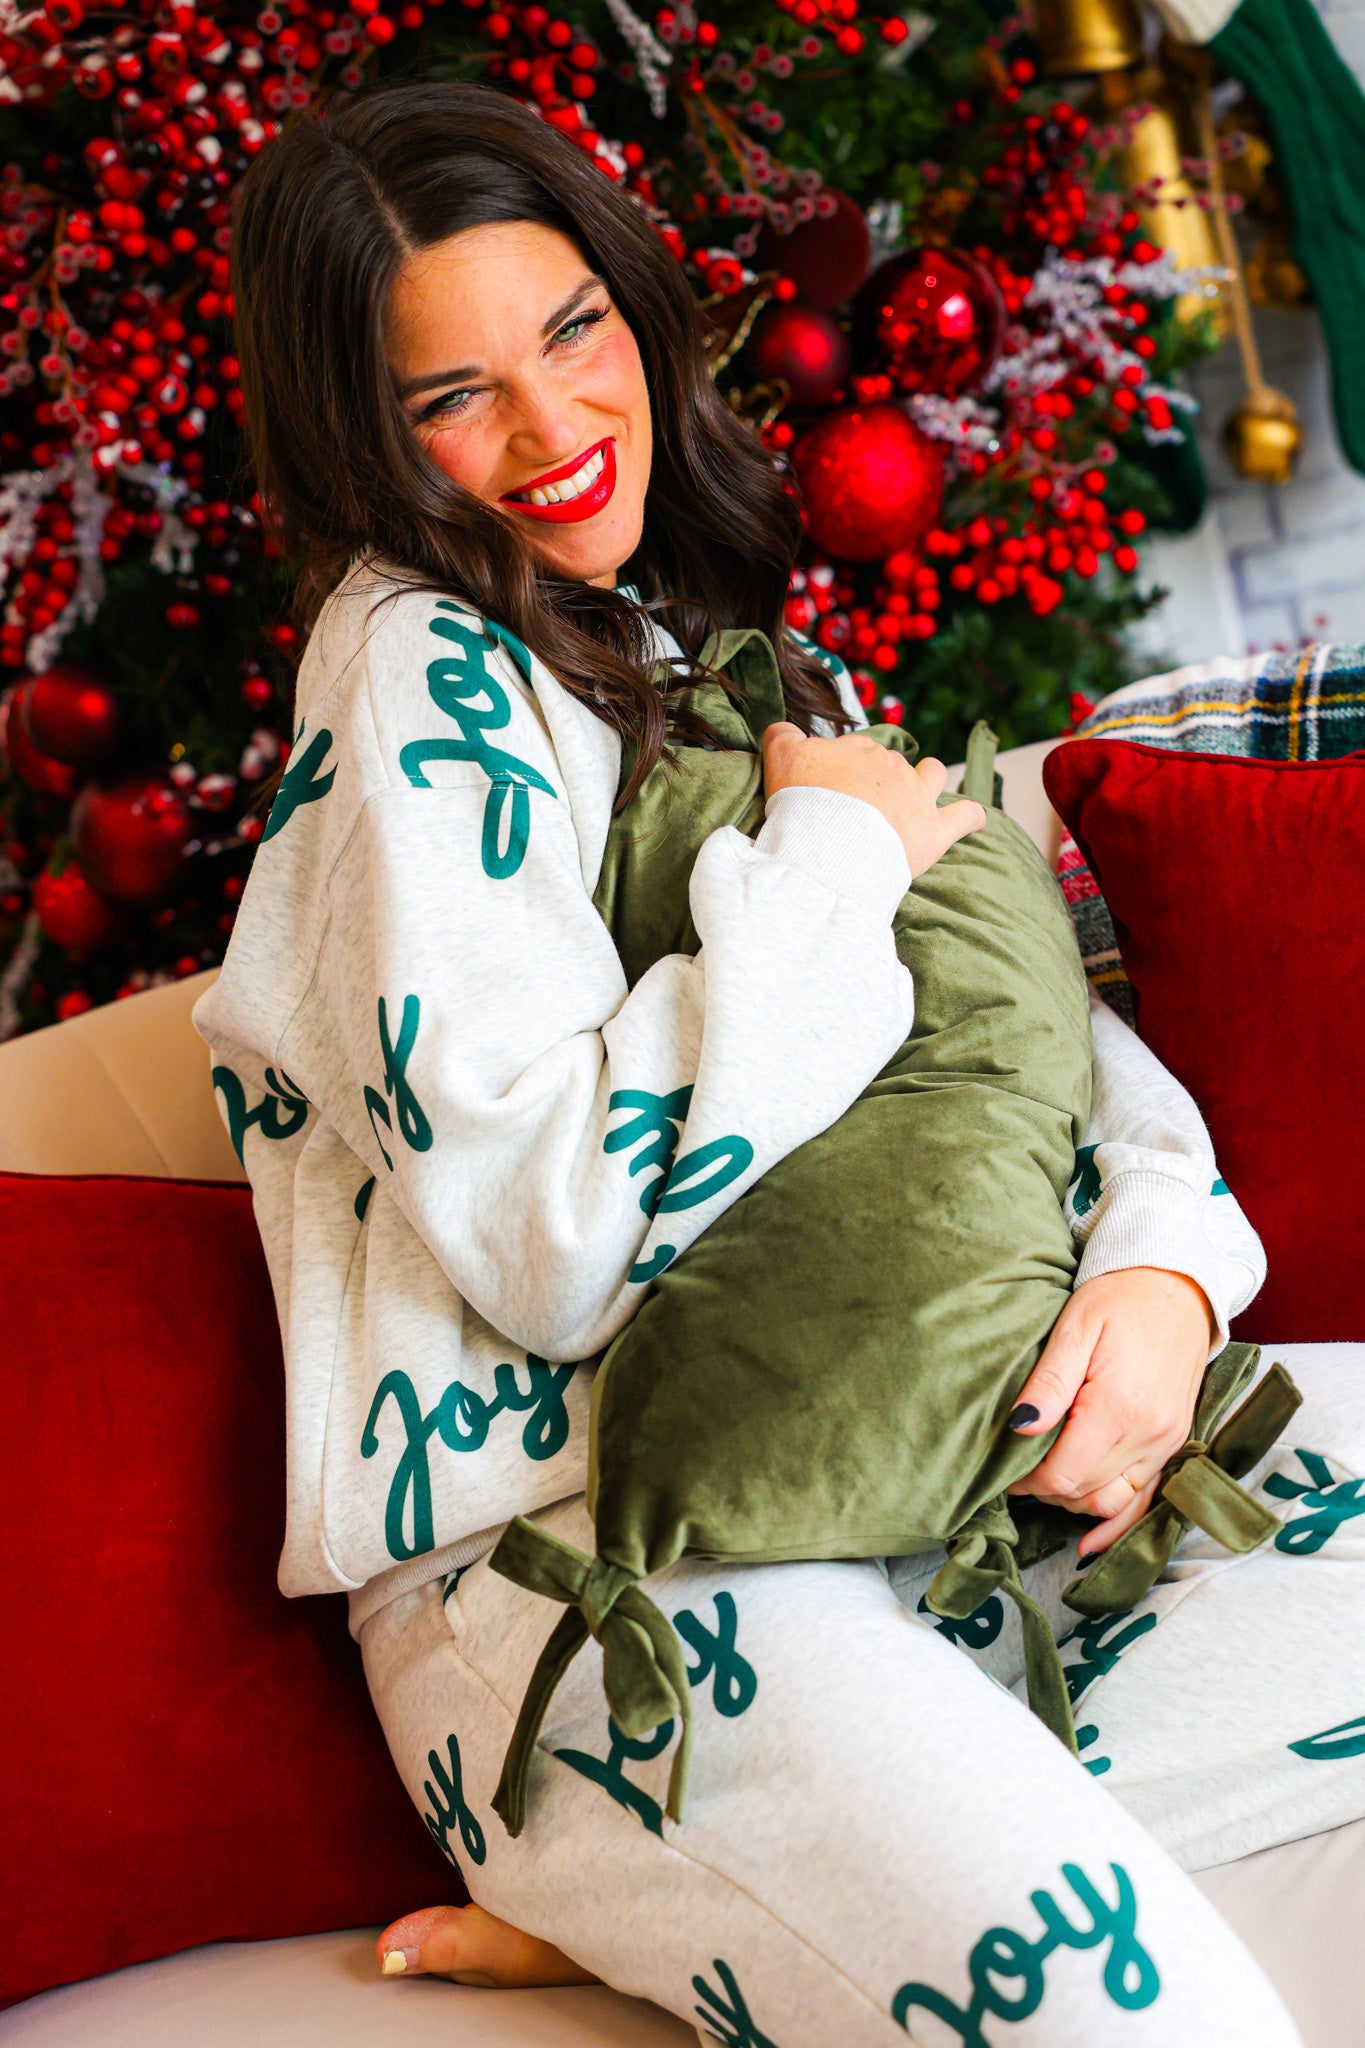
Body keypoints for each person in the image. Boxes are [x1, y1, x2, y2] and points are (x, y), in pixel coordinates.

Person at [194, 79, 1363, 2048]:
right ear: (360, 438)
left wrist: (1160, 1275)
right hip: (598, 1578)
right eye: (453, 397)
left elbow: (1017, 1028)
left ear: (633, 306)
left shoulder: (688, 647)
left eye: (572, 331)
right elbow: (549, 1229)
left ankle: (711, 1887)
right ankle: (669, 1846)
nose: (553, 428)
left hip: (910, 1464)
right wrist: (827, 850)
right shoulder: (406, 665)